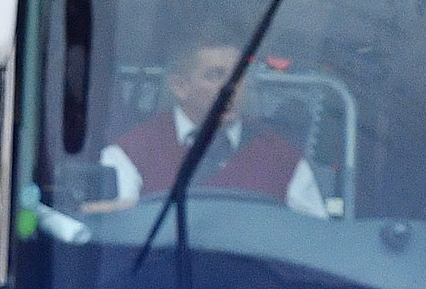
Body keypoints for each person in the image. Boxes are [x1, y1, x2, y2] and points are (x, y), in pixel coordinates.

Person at [91, 38, 328, 218]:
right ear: (180, 86)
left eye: (239, 76)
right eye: (214, 76)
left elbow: (313, 241)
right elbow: (121, 232)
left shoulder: (283, 158)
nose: (230, 88)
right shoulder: (133, 150)